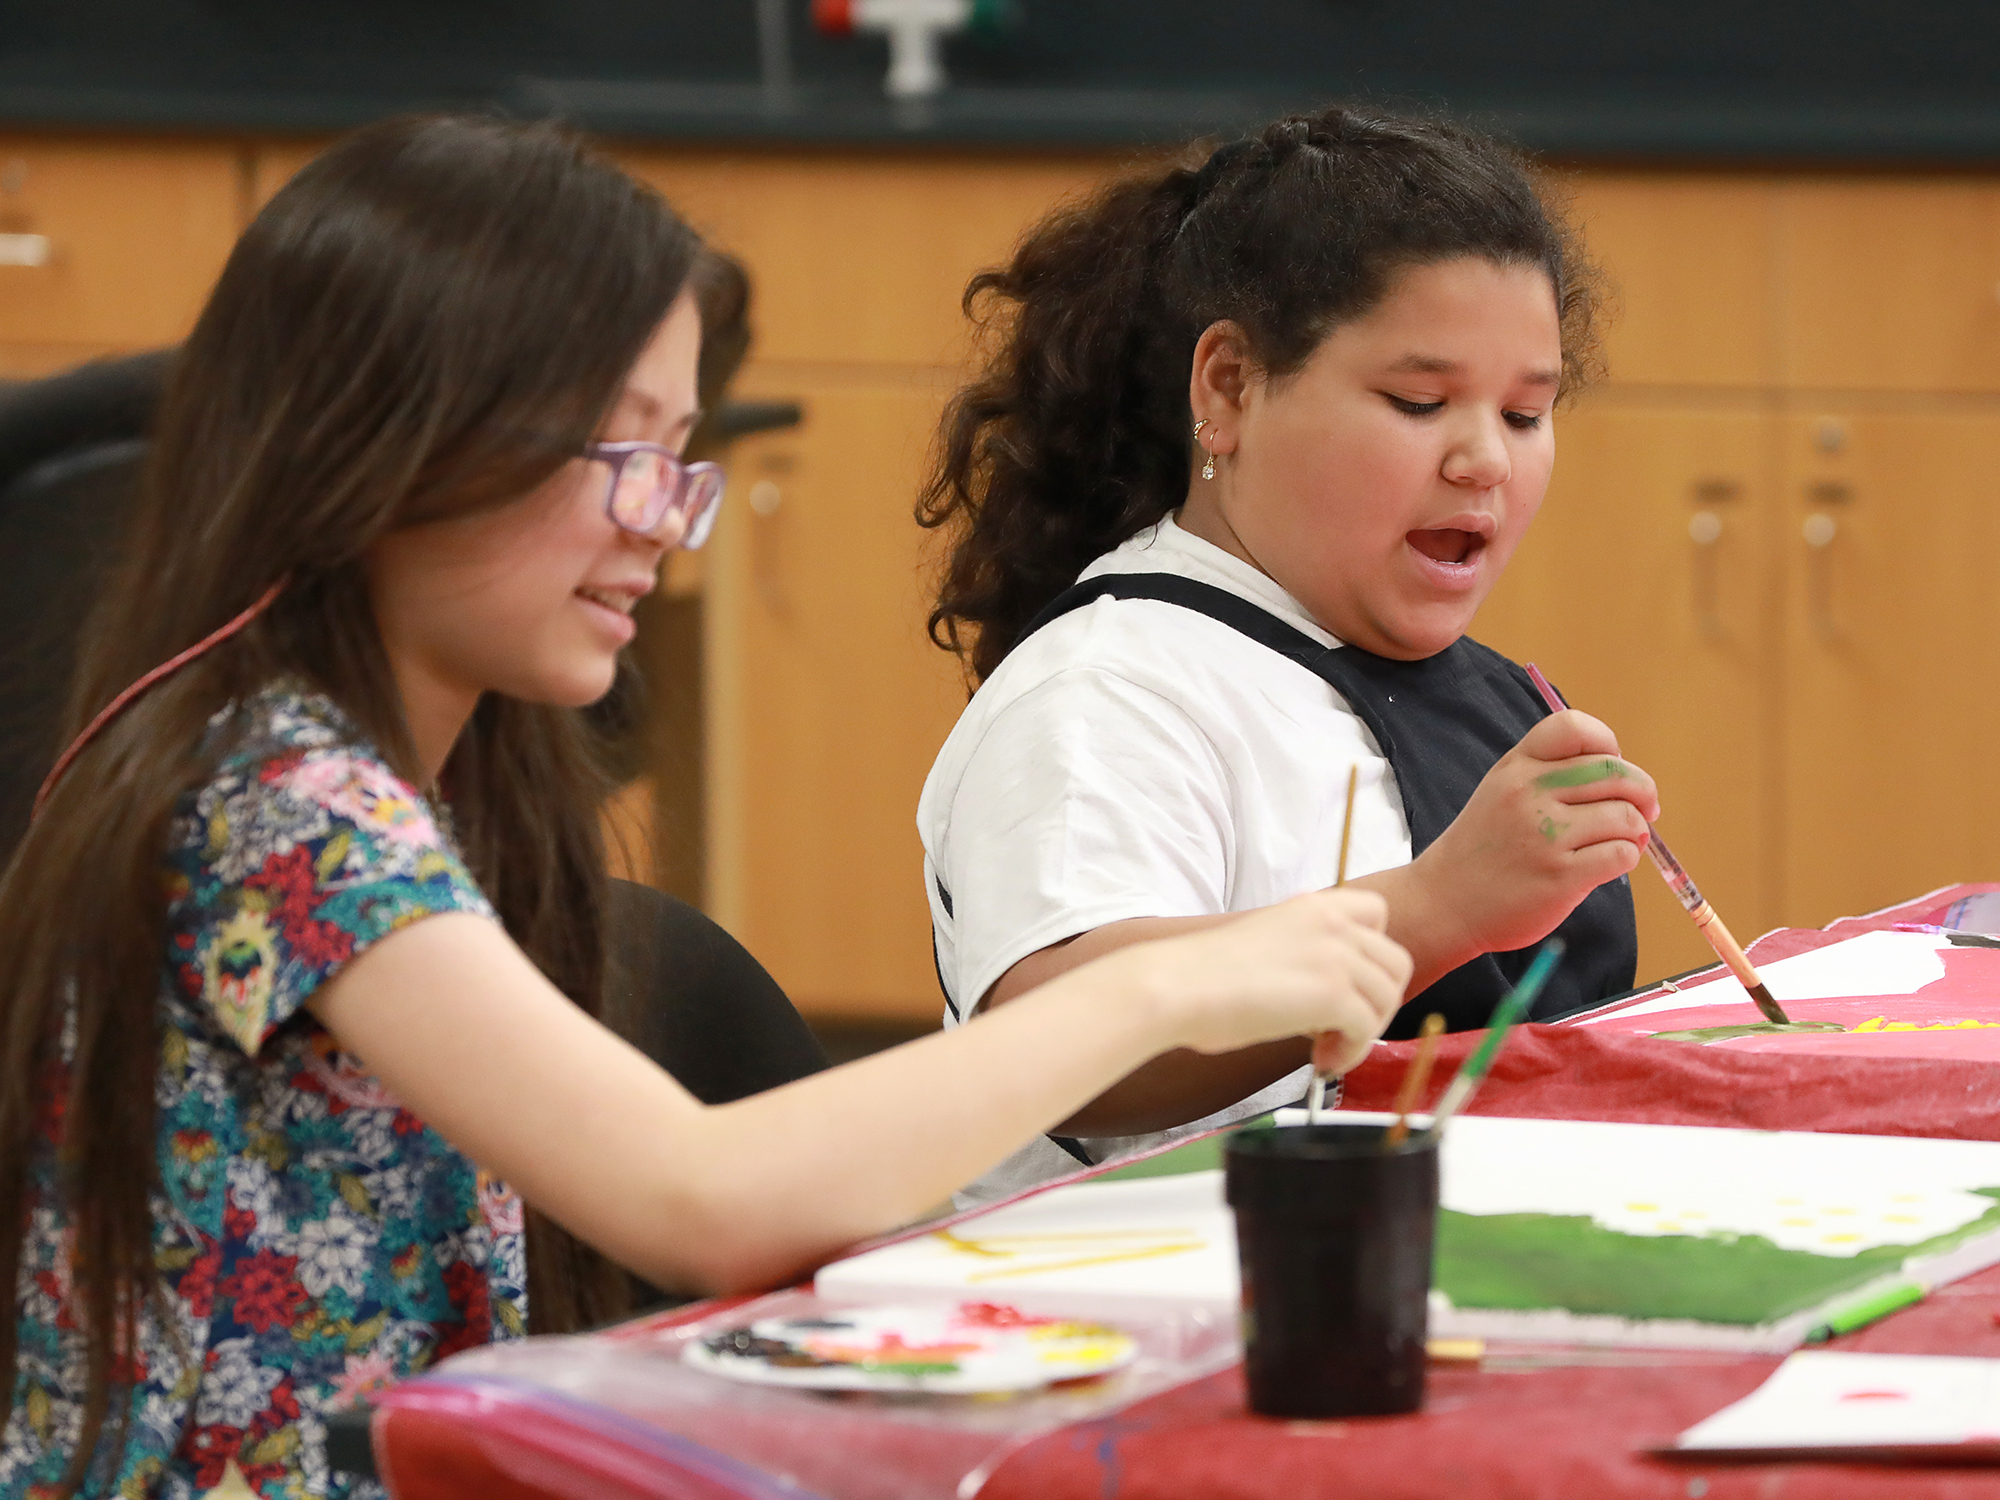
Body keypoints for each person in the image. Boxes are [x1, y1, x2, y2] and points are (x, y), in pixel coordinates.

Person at [0, 115, 1413, 1499]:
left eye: (677, 457)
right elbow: (703, 1197)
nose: (661, 520)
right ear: (392, 443)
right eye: (611, 452)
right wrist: (1155, 986)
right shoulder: (277, 805)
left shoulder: (412, 779)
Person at [916, 105, 1661, 1200]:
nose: (1482, 461)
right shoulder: (1106, 691)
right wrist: (1435, 910)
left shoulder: (1490, 691)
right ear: (1226, 388)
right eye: (1419, 400)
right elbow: (1051, 1048)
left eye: (1523, 414)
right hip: (1135, 1306)